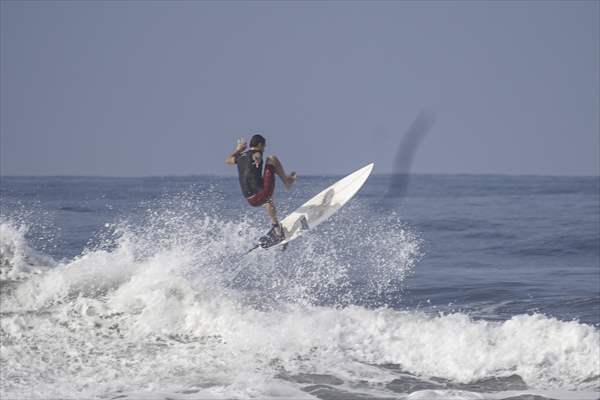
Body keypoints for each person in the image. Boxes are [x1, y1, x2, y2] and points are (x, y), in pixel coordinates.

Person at [226, 133, 296, 244]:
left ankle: (276, 227)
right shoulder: (256, 153)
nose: (265, 148)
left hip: (250, 199)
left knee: (266, 196)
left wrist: (238, 150)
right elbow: (256, 155)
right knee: (272, 159)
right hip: (260, 195)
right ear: (259, 145)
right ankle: (287, 182)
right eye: (264, 146)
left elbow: (228, 160)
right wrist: (257, 158)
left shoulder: (240, 157)